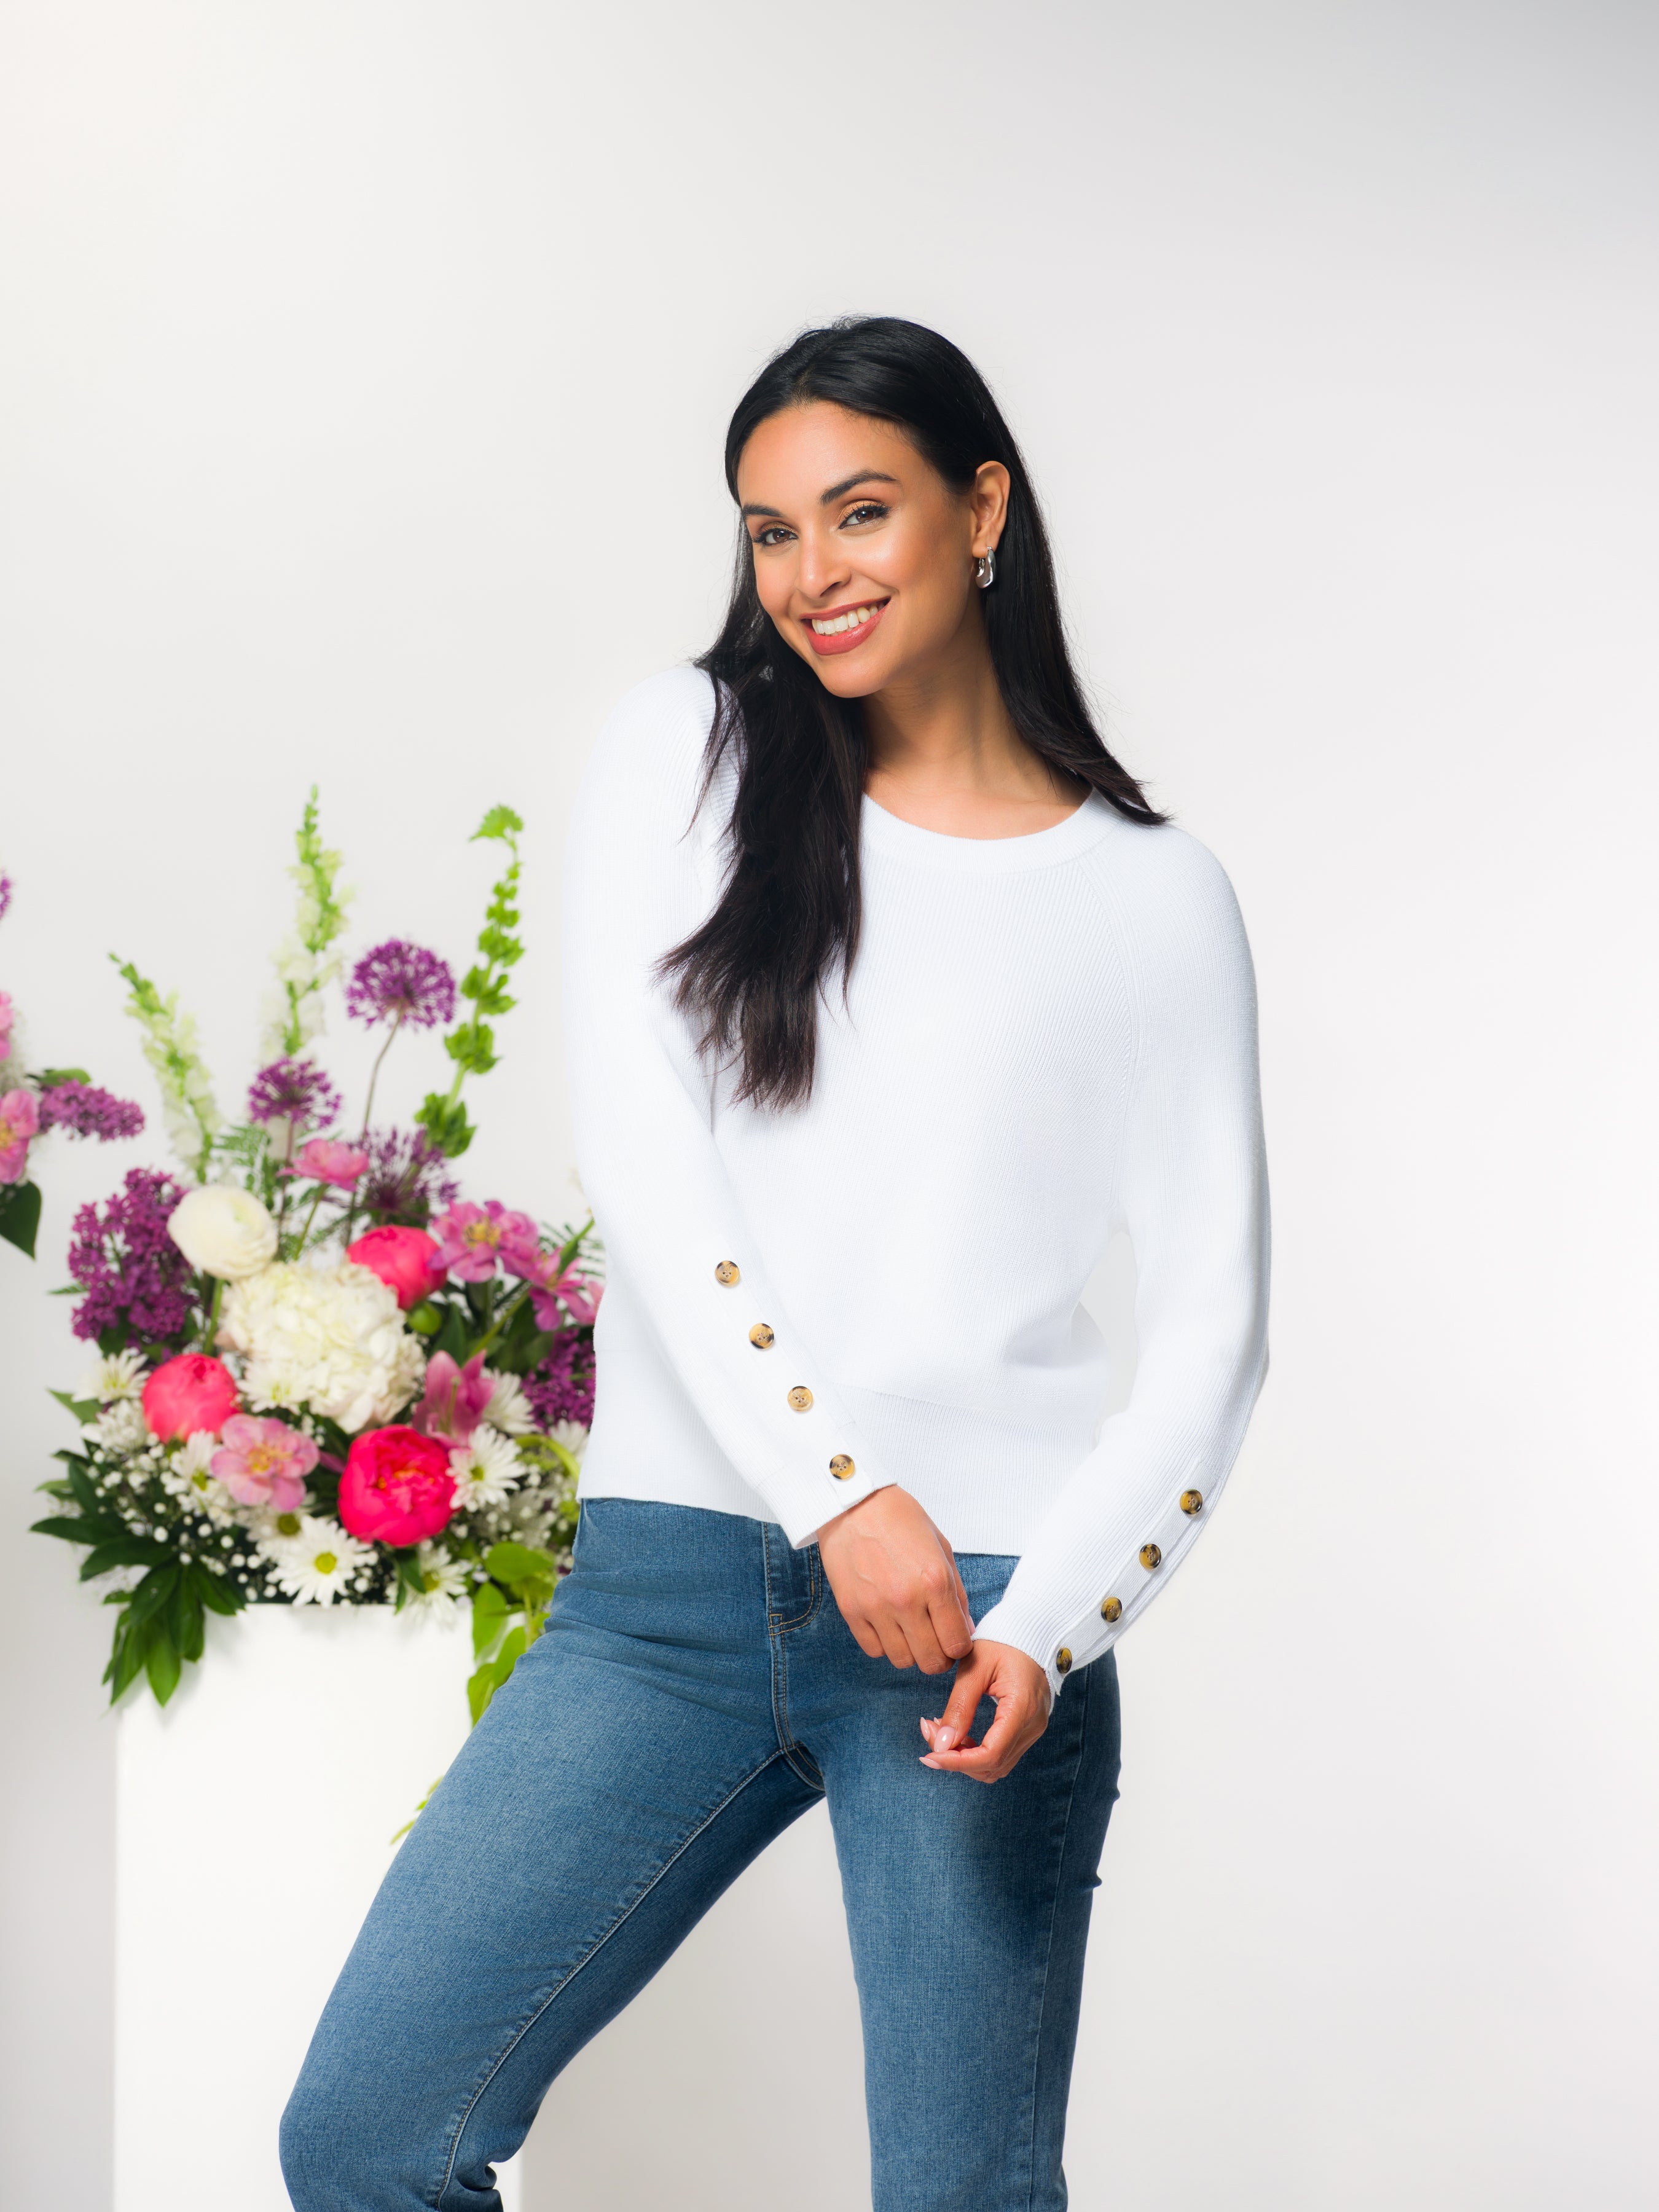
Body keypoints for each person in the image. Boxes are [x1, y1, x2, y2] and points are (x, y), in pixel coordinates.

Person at [281, 316, 1269, 2212]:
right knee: (371, 2135)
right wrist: (837, 1491)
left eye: (859, 511)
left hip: (982, 1620)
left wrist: (1053, 1626)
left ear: (981, 508)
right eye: (769, 529)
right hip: (668, 1590)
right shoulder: (691, 747)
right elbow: (643, 1150)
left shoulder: (1153, 895)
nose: (812, 571)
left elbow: (1212, 1332)